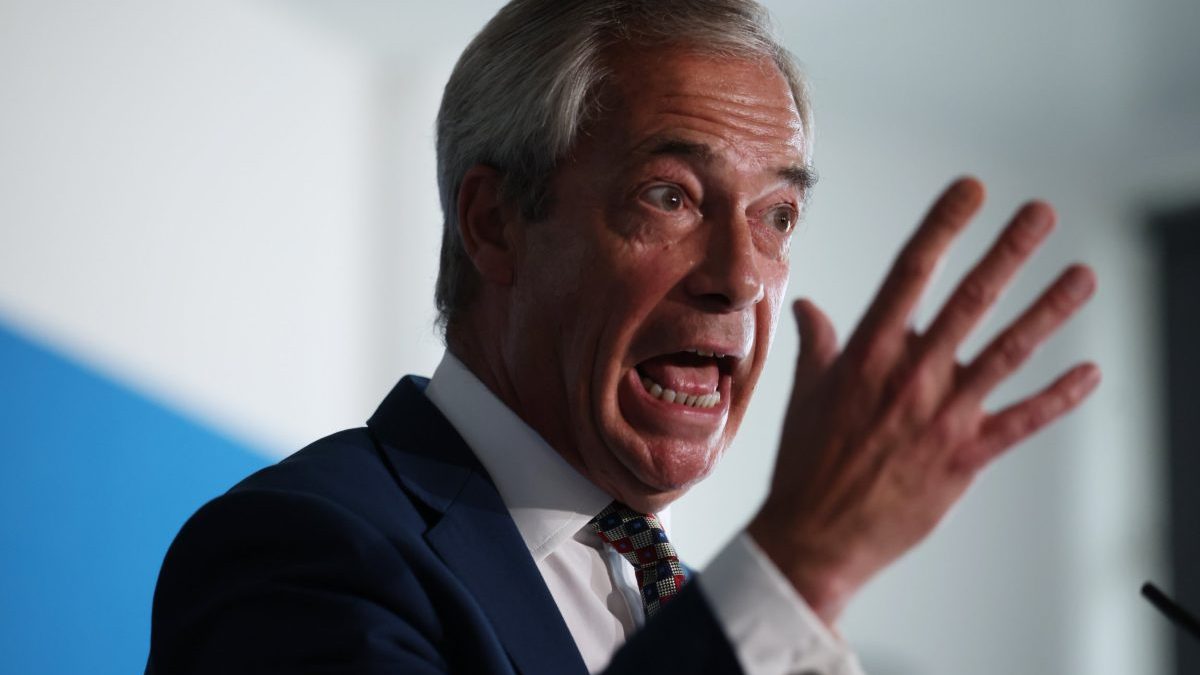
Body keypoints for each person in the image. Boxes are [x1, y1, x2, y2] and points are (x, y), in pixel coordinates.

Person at [146, 1, 1100, 673]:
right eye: (669, 196)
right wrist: (800, 565)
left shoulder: (713, 617)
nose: (741, 275)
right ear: (494, 223)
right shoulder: (303, 551)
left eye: (777, 216)